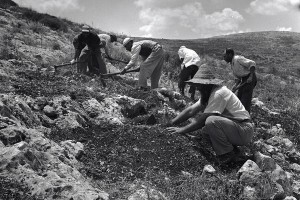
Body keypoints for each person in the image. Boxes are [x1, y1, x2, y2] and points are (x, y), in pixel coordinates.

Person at [166, 64, 254, 165]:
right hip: (237, 128)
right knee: (206, 131)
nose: (198, 88)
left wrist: (182, 130)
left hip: (244, 129)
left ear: (207, 85)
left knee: (211, 121)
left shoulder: (219, 93)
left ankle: (227, 155)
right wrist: (172, 122)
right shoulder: (209, 93)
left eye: (199, 85)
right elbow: (191, 110)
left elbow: (203, 120)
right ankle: (234, 152)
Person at [223, 48, 257, 113]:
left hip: (250, 78)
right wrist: (235, 86)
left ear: (230, 54)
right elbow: (238, 78)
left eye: (225, 56)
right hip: (244, 80)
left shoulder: (238, 59)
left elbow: (252, 63)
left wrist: (251, 76)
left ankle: (245, 117)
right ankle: (240, 114)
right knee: (238, 98)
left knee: (245, 99)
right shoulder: (232, 64)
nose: (224, 58)